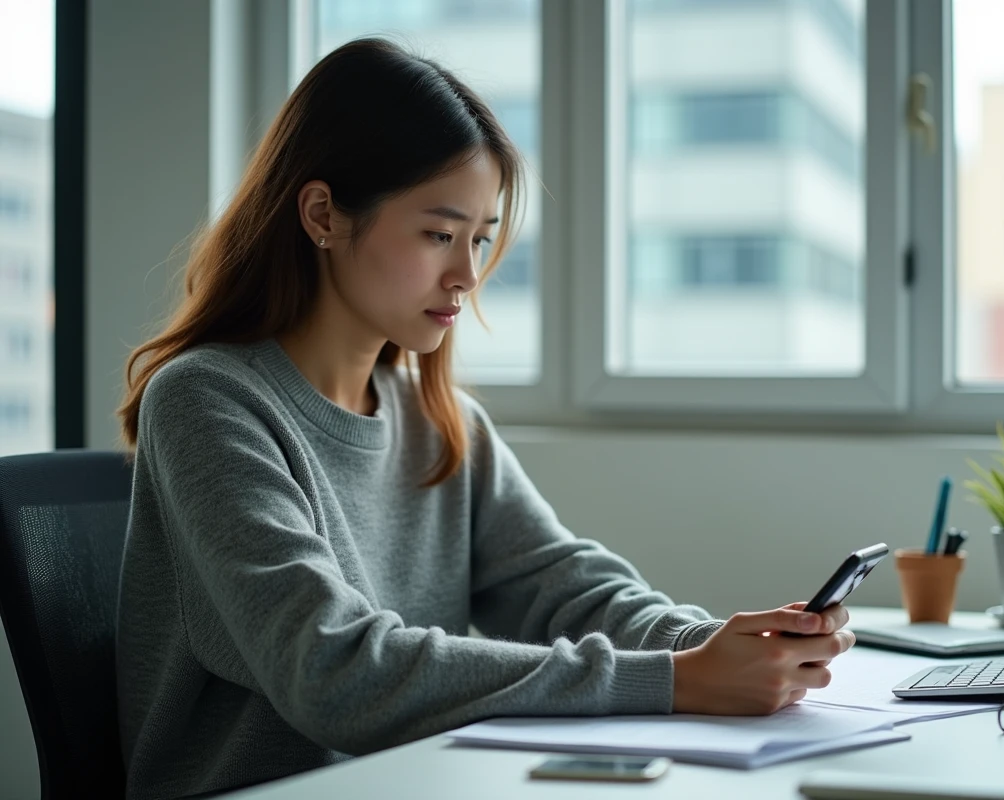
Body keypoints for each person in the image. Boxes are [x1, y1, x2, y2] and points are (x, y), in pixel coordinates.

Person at [114, 38, 856, 800]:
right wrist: (672, 680)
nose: (468, 275)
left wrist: (711, 645)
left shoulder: (439, 420)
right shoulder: (207, 401)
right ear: (322, 215)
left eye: (481, 237)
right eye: (439, 234)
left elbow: (565, 585)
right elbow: (334, 671)